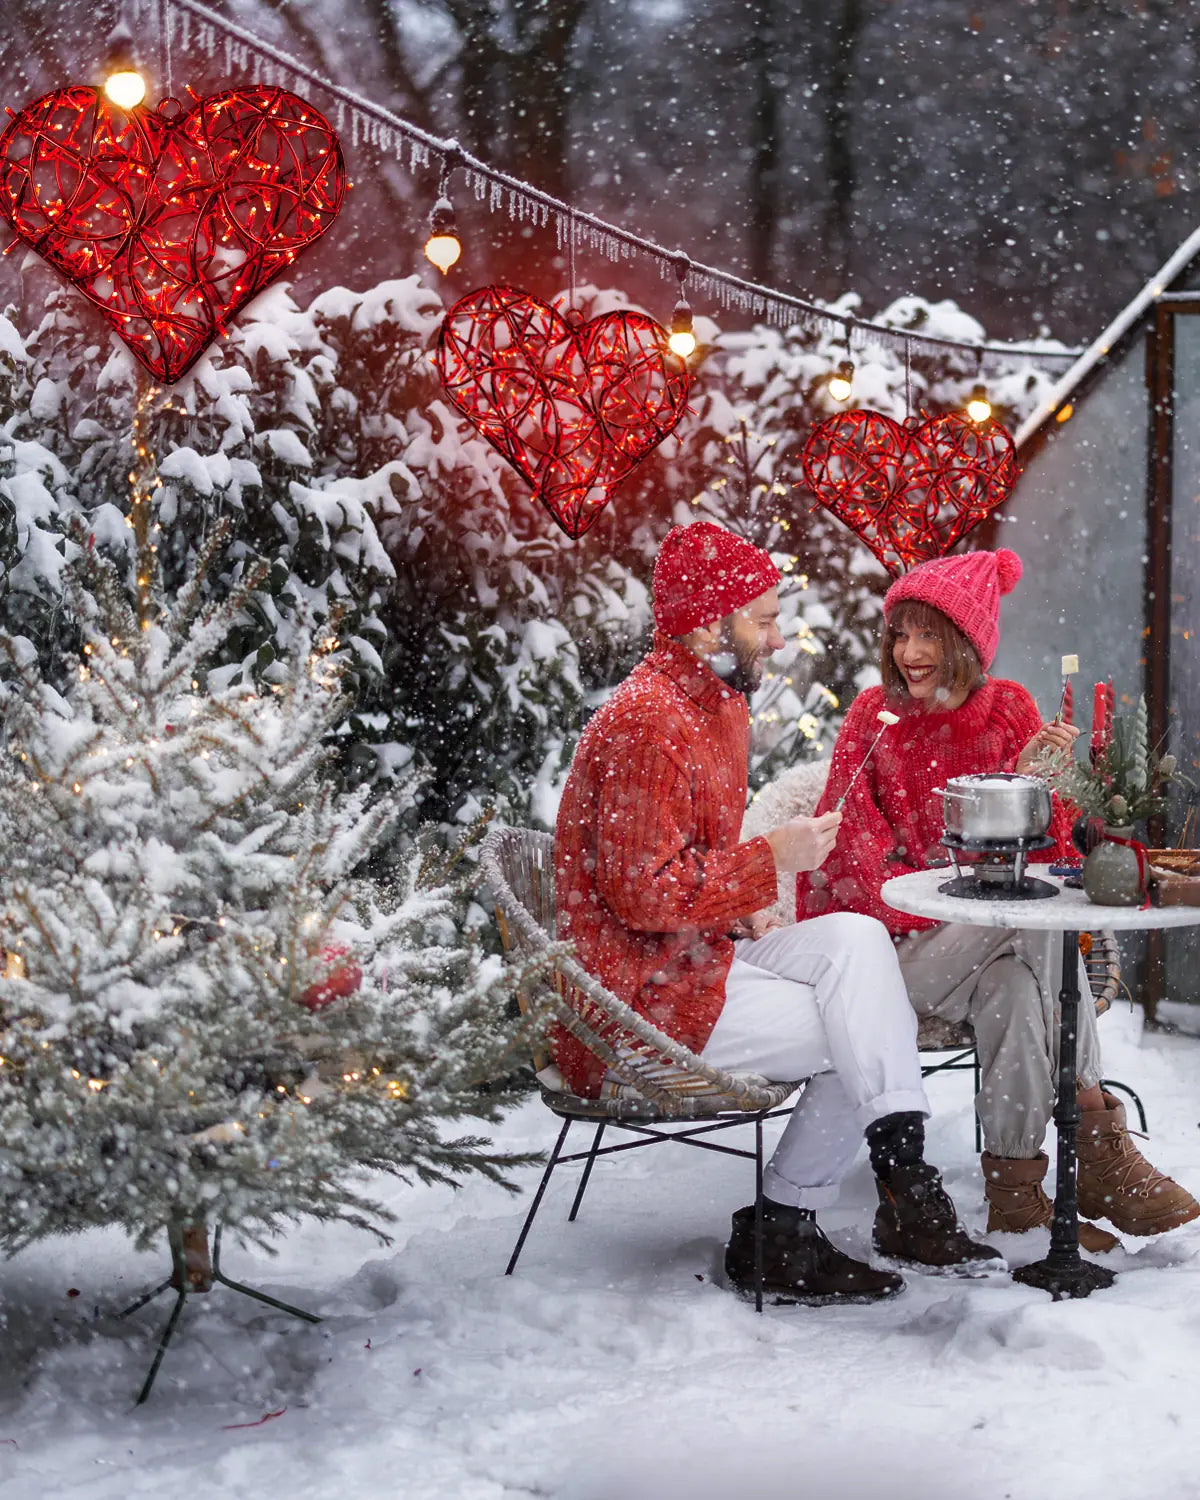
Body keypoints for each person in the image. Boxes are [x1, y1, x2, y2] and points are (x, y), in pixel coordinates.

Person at [554, 521, 999, 1306]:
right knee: (862, 1024)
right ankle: (799, 1222)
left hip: (695, 957)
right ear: (706, 626)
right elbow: (640, 893)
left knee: (856, 942)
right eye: (762, 620)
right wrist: (770, 861)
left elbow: (681, 865)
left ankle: (890, 1177)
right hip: (638, 996)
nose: (779, 638)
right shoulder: (649, 723)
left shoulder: (712, 706)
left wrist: (745, 909)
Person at [797, 548, 1200, 1248]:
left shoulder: (1009, 709)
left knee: (1016, 983)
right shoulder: (874, 717)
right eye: (901, 634)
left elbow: (1051, 861)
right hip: (887, 960)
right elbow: (852, 866)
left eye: (929, 635)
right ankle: (1099, 1142)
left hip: (988, 948)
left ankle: (1015, 1194)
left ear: (968, 642)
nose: (910, 653)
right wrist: (952, 904)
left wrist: (1035, 786)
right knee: (1032, 924)